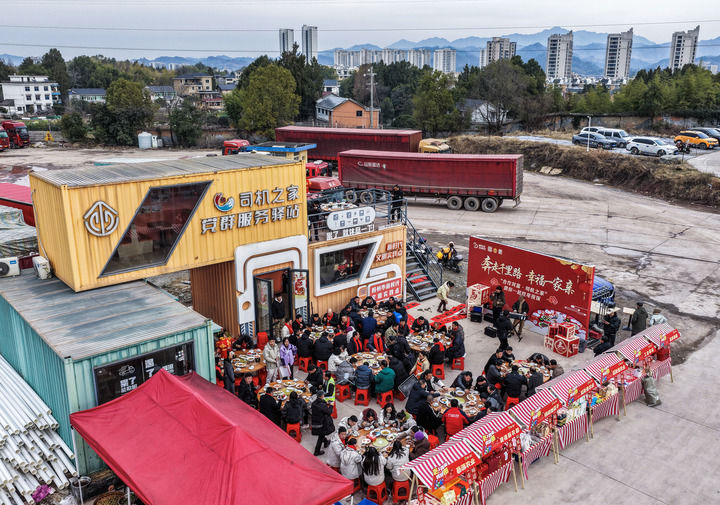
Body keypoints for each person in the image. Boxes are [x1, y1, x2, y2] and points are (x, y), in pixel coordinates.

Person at [311, 390, 335, 456]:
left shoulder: (314, 403)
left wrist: (326, 403)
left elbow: (321, 407)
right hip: (322, 422)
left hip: (316, 420)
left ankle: (326, 442)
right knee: (321, 436)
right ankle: (317, 451)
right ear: (322, 396)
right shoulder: (322, 405)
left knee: (321, 434)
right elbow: (329, 412)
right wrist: (331, 405)